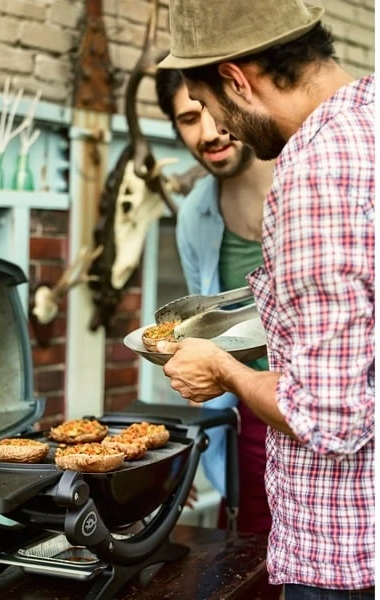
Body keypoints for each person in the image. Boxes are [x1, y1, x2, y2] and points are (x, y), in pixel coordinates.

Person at [157, 1, 375, 598]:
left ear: (236, 79)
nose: (215, 126)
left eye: (207, 104)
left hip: (345, 554)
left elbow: (328, 416)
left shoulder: (314, 171)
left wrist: (223, 369)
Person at [154, 65, 277, 537]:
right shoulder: (195, 216)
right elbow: (199, 335)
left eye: (211, 108)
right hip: (248, 419)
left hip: (331, 406)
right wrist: (177, 452)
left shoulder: (307, 184)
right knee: (250, 558)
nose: (208, 131)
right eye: (189, 118)